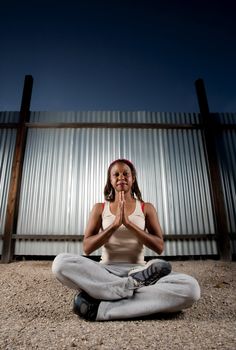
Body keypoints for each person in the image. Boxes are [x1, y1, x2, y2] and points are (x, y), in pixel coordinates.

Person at [52, 159, 200, 321]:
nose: (121, 177)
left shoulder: (146, 207)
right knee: (60, 263)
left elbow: (159, 246)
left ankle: (104, 306)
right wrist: (114, 225)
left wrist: (129, 224)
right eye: (116, 174)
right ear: (110, 180)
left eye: (125, 174)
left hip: (140, 271)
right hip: (105, 273)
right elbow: (87, 247)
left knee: (190, 288)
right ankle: (130, 288)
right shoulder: (100, 208)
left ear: (133, 178)